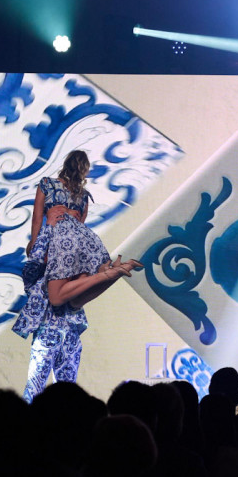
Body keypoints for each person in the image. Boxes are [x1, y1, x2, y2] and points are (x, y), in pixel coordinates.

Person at [13, 149, 141, 402]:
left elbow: (35, 240)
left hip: (54, 306)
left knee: (37, 387)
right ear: (84, 170)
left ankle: (108, 275)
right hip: (71, 304)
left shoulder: (47, 186)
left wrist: (46, 235)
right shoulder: (82, 198)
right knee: (67, 390)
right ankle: (110, 274)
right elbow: (79, 241)